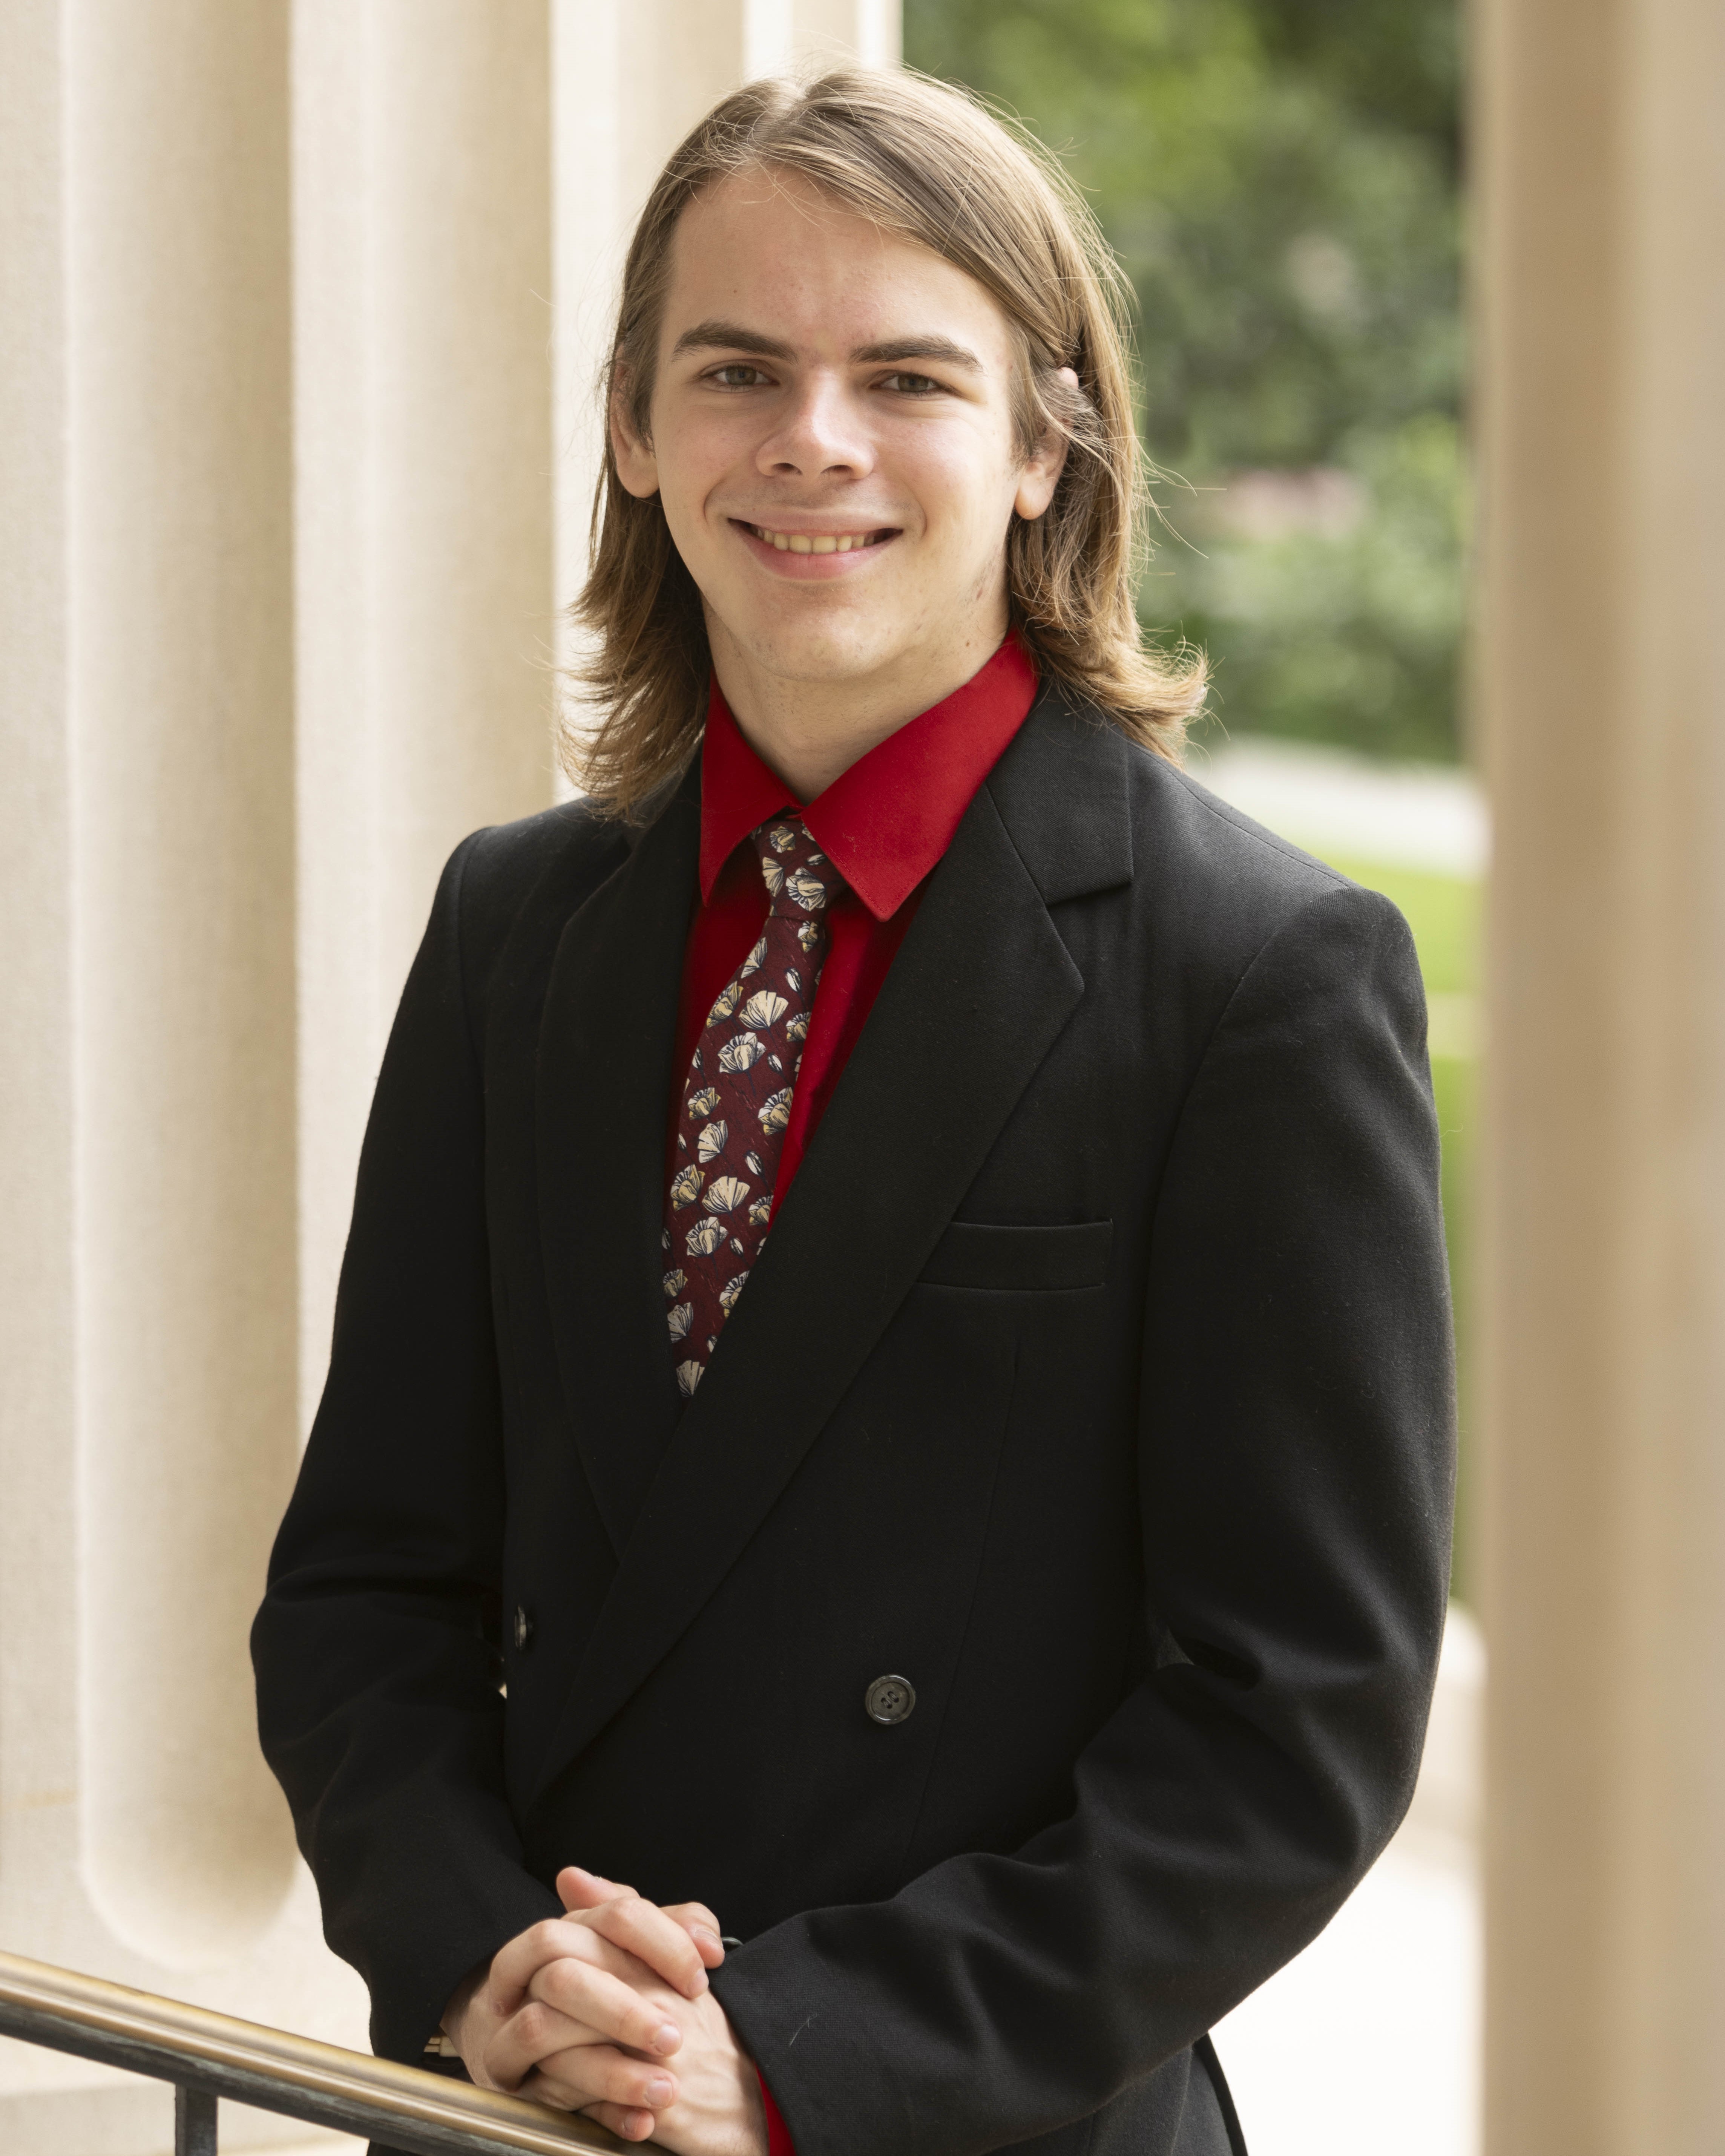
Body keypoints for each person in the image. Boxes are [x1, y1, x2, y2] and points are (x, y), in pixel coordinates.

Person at [252, 67, 1454, 2156]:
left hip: (968, 2113)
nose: (811, 438)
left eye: (905, 373)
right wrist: (478, 1964)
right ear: (635, 428)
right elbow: (367, 1580)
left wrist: (804, 2055)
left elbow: (1297, 1724)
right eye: (736, 370)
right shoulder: (515, 924)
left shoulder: (1262, 973)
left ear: (1042, 449)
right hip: (531, 2114)